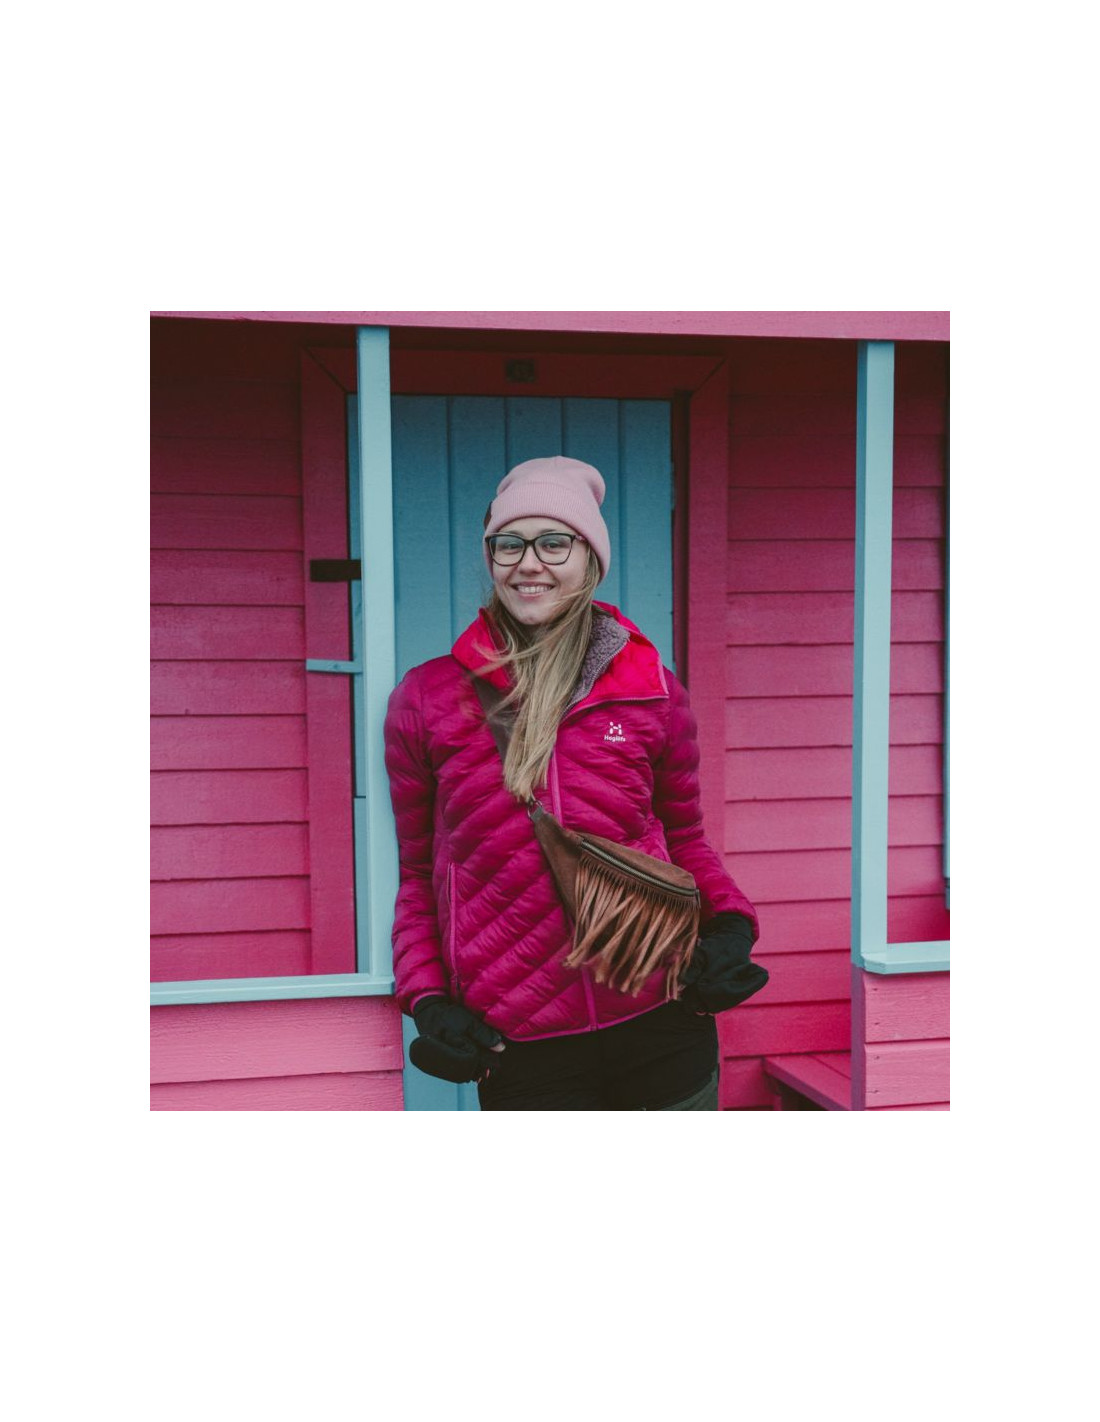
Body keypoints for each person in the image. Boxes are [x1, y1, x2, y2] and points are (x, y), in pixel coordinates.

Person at [383, 456, 765, 1111]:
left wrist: (730, 926)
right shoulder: (427, 698)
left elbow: (685, 837)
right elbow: (420, 872)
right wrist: (427, 998)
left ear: (589, 560)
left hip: (662, 1016)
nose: (528, 563)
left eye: (554, 542)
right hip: (524, 1044)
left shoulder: (652, 692)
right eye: (509, 543)